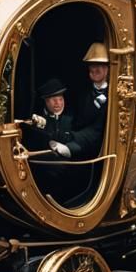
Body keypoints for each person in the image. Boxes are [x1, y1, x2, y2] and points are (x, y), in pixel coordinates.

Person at [22, 79, 93, 207]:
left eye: (60, 99)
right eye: (53, 99)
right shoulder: (35, 121)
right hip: (42, 176)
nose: (58, 103)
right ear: (45, 101)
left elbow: (82, 143)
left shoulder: (73, 119)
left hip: (69, 176)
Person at [72, 42, 108, 161]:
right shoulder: (81, 93)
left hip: (103, 151)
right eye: (92, 65)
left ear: (107, 69)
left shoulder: (114, 94)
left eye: (99, 65)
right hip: (80, 148)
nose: (94, 69)